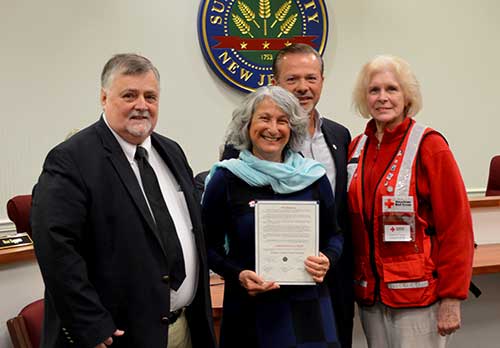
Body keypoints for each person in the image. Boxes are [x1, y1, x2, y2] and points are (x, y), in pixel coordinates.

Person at [31, 53, 216, 348]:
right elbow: (56, 249)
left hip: (182, 327)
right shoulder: (71, 159)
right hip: (117, 336)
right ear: (104, 98)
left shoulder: (171, 152)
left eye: (150, 97)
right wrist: (89, 323)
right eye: (129, 95)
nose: (141, 105)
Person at [222, 43, 354, 347]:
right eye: (292, 79)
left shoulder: (339, 136)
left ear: (322, 81)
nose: (303, 87)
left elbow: (338, 221)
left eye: (311, 78)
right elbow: (220, 232)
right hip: (265, 289)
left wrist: (330, 259)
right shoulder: (242, 150)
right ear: (275, 83)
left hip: (326, 281)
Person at [348, 55, 474, 347]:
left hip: (419, 299)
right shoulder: (356, 147)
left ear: (407, 97)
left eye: (391, 89)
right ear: (364, 98)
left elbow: (456, 228)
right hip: (371, 298)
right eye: (374, 90)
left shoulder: (430, 146)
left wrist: (452, 298)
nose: (382, 98)